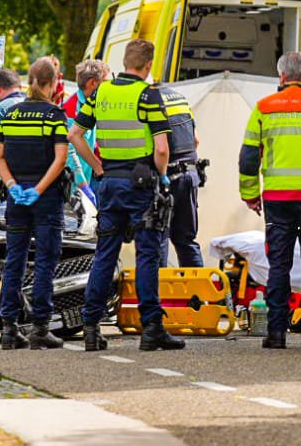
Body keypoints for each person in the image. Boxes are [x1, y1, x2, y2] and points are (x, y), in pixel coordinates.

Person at [69, 38, 180, 353]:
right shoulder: (147, 94)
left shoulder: (101, 91)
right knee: (147, 254)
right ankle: (152, 330)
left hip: (109, 184)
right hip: (141, 184)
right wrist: (163, 178)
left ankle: (90, 327)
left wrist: (97, 167)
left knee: (105, 253)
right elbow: (161, 148)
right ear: (147, 67)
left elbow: (75, 134)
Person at [239, 52, 301, 349]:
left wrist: (250, 193)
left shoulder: (264, 108)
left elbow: (249, 157)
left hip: (278, 199)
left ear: (281, 76)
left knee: (278, 264)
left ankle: (276, 332)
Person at [0, 57, 71, 351]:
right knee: (46, 263)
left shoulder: (10, 115)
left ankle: (9, 328)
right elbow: (60, 158)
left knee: (14, 262)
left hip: (16, 199)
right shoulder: (54, 116)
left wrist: (13, 185)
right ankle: (40, 328)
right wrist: (38, 189)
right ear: (51, 83)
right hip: (46, 198)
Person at [158, 84, 205, 267]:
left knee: (159, 238)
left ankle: (157, 292)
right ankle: (196, 294)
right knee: (186, 239)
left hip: (166, 178)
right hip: (189, 175)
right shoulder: (180, 99)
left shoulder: (149, 102)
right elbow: (196, 140)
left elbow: (159, 148)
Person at [65, 59, 110, 201]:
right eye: (106, 81)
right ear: (92, 83)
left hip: (99, 175)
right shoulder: (70, 109)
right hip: (84, 182)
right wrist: (83, 187)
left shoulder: (100, 103)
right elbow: (70, 154)